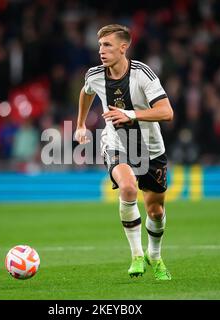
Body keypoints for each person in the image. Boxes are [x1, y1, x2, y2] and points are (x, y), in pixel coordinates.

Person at [75, 24, 173, 280]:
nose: (101, 51)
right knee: (128, 188)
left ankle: (155, 255)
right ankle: (137, 255)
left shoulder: (143, 74)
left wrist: (131, 113)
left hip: (151, 149)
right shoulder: (94, 75)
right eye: (99, 45)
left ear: (123, 47)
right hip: (117, 144)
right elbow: (86, 93)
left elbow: (167, 112)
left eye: (107, 45)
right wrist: (80, 124)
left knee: (156, 212)